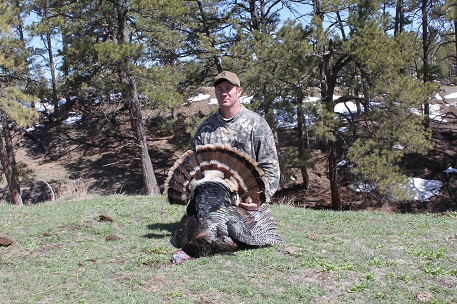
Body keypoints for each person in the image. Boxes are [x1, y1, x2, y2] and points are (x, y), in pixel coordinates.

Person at [193, 71, 280, 210]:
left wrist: (259, 198)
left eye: (228, 88)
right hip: (214, 201)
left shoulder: (257, 124)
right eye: (219, 89)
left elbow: (270, 168)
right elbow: (197, 169)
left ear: (239, 91)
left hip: (248, 201)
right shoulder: (205, 128)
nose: (224, 93)